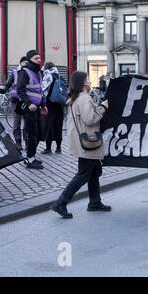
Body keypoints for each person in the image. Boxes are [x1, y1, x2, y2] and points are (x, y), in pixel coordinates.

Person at [51, 71, 111, 219]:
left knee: (94, 171)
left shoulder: (75, 97)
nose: (90, 81)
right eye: (88, 79)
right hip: (87, 141)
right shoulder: (84, 98)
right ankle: (61, 202)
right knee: (84, 174)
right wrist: (103, 107)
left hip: (80, 139)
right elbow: (91, 119)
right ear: (83, 82)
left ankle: (95, 202)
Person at [17, 50, 48, 169]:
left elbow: (39, 90)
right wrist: (29, 103)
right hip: (29, 108)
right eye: (36, 58)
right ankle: (30, 159)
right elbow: (20, 90)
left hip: (37, 107)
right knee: (32, 133)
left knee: (38, 133)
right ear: (29, 59)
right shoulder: (24, 72)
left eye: (40, 58)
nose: (39, 60)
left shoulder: (38, 72)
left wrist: (43, 104)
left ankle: (32, 156)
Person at [0, 56, 28, 150]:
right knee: (17, 121)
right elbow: (7, 84)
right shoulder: (14, 73)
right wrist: (4, 89)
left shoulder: (30, 73)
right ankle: (18, 142)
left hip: (27, 101)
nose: (26, 65)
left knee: (28, 122)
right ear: (21, 63)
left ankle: (27, 142)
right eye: (25, 62)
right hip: (15, 100)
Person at [41, 62, 64, 154]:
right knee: (58, 125)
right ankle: (58, 148)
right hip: (59, 104)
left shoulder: (47, 76)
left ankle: (48, 148)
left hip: (49, 104)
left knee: (48, 125)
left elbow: (42, 89)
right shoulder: (59, 76)